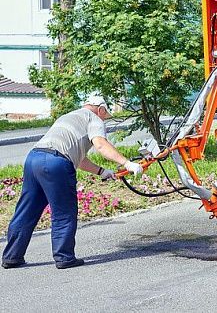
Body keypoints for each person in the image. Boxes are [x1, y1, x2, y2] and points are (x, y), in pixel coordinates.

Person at [1, 95, 144, 269]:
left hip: (33, 158)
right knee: (64, 211)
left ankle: (12, 256)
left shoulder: (69, 116)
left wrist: (102, 172)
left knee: (27, 210)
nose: (105, 118)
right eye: (105, 114)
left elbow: (79, 159)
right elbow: (100, 144)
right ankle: (64, 258)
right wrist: (126, 163)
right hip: (56, 163)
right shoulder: (94, 118)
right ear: (101, 109)